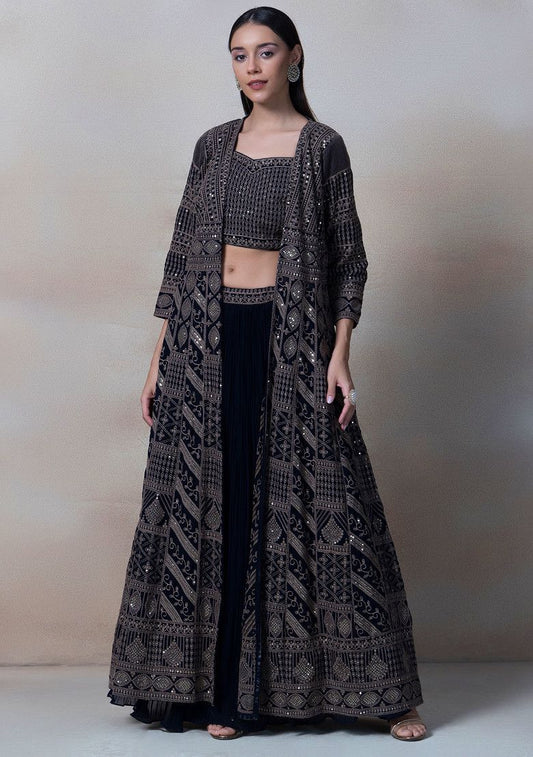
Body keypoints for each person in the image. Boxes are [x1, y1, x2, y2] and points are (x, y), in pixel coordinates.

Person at [107, 6, 427, 743]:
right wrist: (158, 359)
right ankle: (223, 695)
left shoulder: (322, 146)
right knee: (207, 508)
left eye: (265, 51)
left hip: (290, 339)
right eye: (238, 54)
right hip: (205, 339)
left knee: (324, 504)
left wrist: (339, 353)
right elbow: (182, 253)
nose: (251, 66)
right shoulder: (213, 145)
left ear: (294, 57)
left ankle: (381, 693)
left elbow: (349, 260)